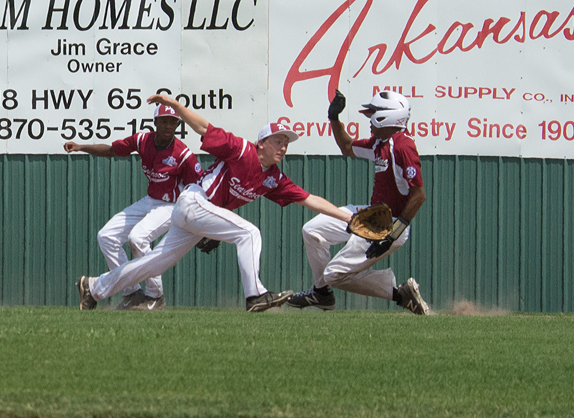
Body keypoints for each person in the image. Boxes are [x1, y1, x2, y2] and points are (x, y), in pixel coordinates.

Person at [75, 93, 354, 312]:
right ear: (261, 143)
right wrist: (175, 105)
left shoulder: (273, 179)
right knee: (249, 233)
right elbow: (203, 127)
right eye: (277, 141)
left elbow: (310, 200)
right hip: (194, 202)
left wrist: (348, 219)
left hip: (198, 217)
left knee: (154, 264)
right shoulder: (242, 150)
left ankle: (95, 287)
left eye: (286, 143)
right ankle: (255, 294)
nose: (283, 146)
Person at [287, 90, 431, 315]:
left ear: (388, 117)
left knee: (334, 274)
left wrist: (392, 233)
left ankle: (400, 294)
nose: (369, 120)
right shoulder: (380, 143)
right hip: (371, 215)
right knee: (312, 230)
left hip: (389, 224)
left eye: (372, 114)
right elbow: (347, 147)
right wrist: (334, 119)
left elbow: (419, 195)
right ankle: (321, 293)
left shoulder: (402, 146)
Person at [64, 104, 202, 311]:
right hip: (150, 200)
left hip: (172, 205)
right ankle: (132, 293)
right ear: (155, 122)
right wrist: (81, 147)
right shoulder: (142, 140)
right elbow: (112, 150)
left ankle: (155, 296)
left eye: (173, 122)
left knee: (138, 238)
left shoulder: (183, 155)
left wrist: (202, 223)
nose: (168, 125)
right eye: (164, 120)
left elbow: (198, 188)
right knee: (107, 236)